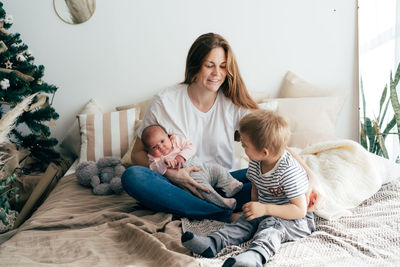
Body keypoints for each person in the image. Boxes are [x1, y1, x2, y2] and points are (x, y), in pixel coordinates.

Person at [121, 32, 322, 222]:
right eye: (210, 65)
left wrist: (310, 176)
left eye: (223, 66)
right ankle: (221, 215)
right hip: (178, 185)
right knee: (132, 176)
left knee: (272, 181)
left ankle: (201, 209)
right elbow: (137, 154)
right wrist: (172, 174)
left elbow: (274, 146)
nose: (217, 73)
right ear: (195, 66)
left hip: (225, 184)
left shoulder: (233, 102)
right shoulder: (164, 102)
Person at [181, 110, 315, 267]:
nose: (242, 146)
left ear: (264, 152)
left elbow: (299, 210)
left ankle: (255, 256)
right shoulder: (256, 162)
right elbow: (256, 186)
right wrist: (254, 209)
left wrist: (264, 209)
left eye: (245, 144)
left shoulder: (288, 171)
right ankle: (213, 243)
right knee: (244, 221)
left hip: (293, 219)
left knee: (271, 227)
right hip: (266, 209)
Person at [141, 124, 243, 209]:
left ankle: (230, 185)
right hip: (191, 178)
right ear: (149, 151)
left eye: (162, 141)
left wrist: (181, 156)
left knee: (217, 169)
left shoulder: (176, 140)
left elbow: (191, 147)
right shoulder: (155, 159)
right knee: (204, 190)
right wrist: (164, 162)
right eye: (154, 147)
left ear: (168, 136)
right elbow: (154, 168)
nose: (161, 147)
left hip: (201, 167)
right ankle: (222, 202)